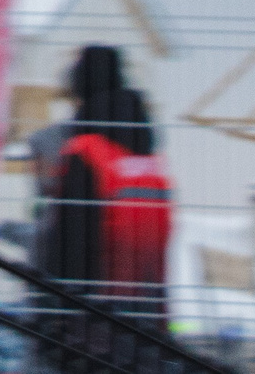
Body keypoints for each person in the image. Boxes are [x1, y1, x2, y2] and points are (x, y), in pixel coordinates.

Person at [33, 48, 172, 373]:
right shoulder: (150, 162)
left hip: (94, 334)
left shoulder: (86, 153)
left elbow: (69, 251)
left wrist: (53, 323)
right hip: (147, 326)